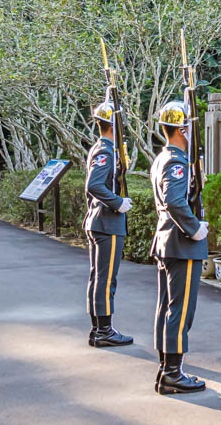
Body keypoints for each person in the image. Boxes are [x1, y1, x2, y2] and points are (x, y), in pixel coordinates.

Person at [150, 101, 209, 395]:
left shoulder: (165, 158)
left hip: (168, 241)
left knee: (168, 308)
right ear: (182, 129)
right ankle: (172, 373)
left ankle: (167, 368)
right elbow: (175, 201)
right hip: (181, 243)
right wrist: (194, 227)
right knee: (180, 311)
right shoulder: (175, 161)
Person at [84, 102, 133, 348]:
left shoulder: (103, 148)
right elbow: (94, 185)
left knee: (98, 278)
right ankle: (103, 330)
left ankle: (98, 329)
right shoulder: (105, 151)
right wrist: (117, 202)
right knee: (105, 279)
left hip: (100, 221)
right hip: (106, 222)